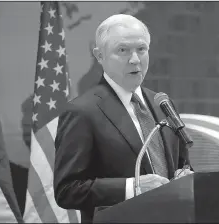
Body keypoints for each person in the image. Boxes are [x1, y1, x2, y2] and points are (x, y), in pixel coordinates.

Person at [54, 14, 193, 223]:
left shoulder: (161, 103)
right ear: (99, 56)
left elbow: (183, 165)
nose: (135, 59)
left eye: (141, 49)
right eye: (122, 50)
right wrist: (133, 187)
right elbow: (67, 190)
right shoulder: (81, 112)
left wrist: (186, 178)